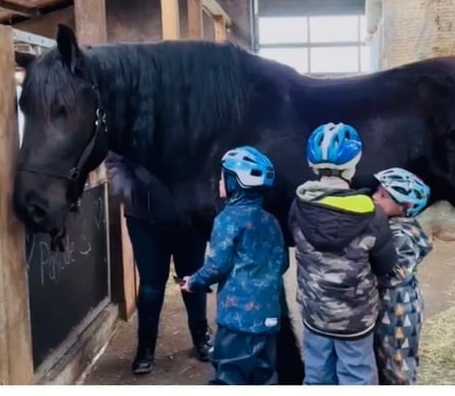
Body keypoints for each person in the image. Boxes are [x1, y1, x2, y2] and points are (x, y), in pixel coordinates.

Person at [288, 122, 398, 385]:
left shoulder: (298, 206)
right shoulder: (372, 214)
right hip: (355, 320)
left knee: (317, 375)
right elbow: (386, 265)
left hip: (315, 314)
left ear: (312, 165)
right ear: (353, 165)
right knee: (357, 376)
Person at [180, 145, 288, 385]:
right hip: (269, 317)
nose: (219, 182)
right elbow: (283, 263)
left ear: (234, 182)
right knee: (265, 376)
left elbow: (217, 265)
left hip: (237, 319)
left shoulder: (227, 219)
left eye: (223, 177)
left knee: (229, 376)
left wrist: (193, 282)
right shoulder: (272, 221)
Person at [106, 152, 213, 375]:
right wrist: (129, 192)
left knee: (192, 279)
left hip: (190, 215)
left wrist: (204, 195)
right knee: (151, 285)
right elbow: (116, 160)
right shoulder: (132, 127)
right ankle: (145, 347)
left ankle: (201, 336)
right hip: (144, 218)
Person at [370, 167, 433, 385]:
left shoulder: (403, 235)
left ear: (404, 206)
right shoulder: (388, 226)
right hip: (386, 306)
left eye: (383, 195)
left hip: (399, 310)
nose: (374, 197)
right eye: (377, 191)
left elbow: (394, 274)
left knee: (398, 369)